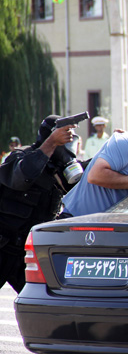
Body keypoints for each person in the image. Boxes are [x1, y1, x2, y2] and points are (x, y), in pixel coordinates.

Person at [0, 116, 78, 293]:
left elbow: (87, 183)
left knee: (43, 304)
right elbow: (21, 177)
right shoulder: (20, 156)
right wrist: (51, 143)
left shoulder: (59, 170)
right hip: (3, 247)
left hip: (28, 254)